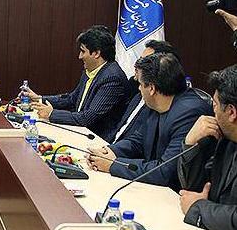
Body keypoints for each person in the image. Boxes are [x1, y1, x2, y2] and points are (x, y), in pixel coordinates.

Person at [88, 53, 212, 189]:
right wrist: (110, 152)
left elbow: (165, 172)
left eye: (140, 84)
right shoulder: (156, 103)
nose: (139, 88)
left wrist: (113, 165)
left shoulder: (189, 113)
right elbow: (138, 140)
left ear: (151, 88)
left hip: (175, 193)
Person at [25, 25, 129, 142]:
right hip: (80, 131)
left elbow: (88, 117)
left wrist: (52, 114)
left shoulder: (112, 78)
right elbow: (72, 99)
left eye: (83, 51)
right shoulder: (91, 70)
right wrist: (39, 99)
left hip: (97, 140)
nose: (80, 56)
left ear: (96, 53)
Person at [177, 68, 237, 230]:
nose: (213, 111)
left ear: (231, 112)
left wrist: (199, 208)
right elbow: (195, 187)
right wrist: (190, 143)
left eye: (215, 104)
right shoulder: (227, 140)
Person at [111, 40, 180, 143]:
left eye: (144, 61)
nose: (137, 65)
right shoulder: (136, 88)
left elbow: (139, 142)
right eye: (139, 60)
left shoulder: (160, 105)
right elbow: (119, 128)